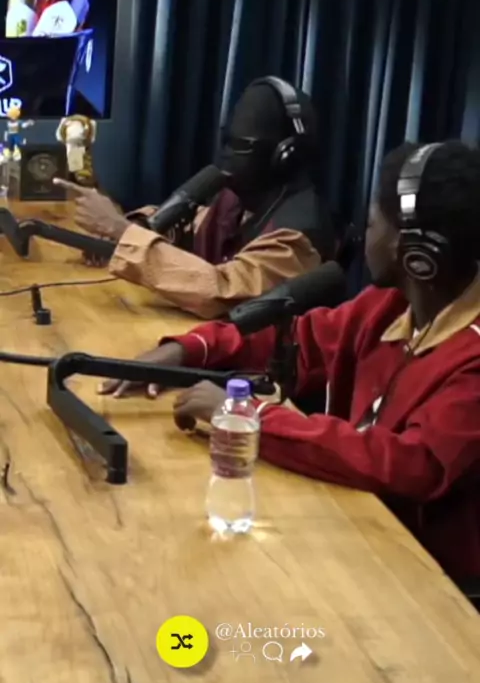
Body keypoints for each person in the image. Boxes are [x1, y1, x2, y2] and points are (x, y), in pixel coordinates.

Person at [100, 141, 480, 584]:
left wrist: (249, 417)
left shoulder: (471, 362)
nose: (364, 234)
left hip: (425, 581)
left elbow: (409, 465)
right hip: (355, 529)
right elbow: (296, 339)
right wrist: (189, 349)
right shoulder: (389, 307)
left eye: (374, 223)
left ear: (417, 253)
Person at [54, 77, 336, 319]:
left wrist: (121, 230)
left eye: (242, 146)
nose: (229, 155)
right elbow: (185, 229)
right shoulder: (239, 199)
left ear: (285, 156)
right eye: (228, 142)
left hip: (248, 361)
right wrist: (129, 229)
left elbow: (223, 292)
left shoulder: (297, 237)